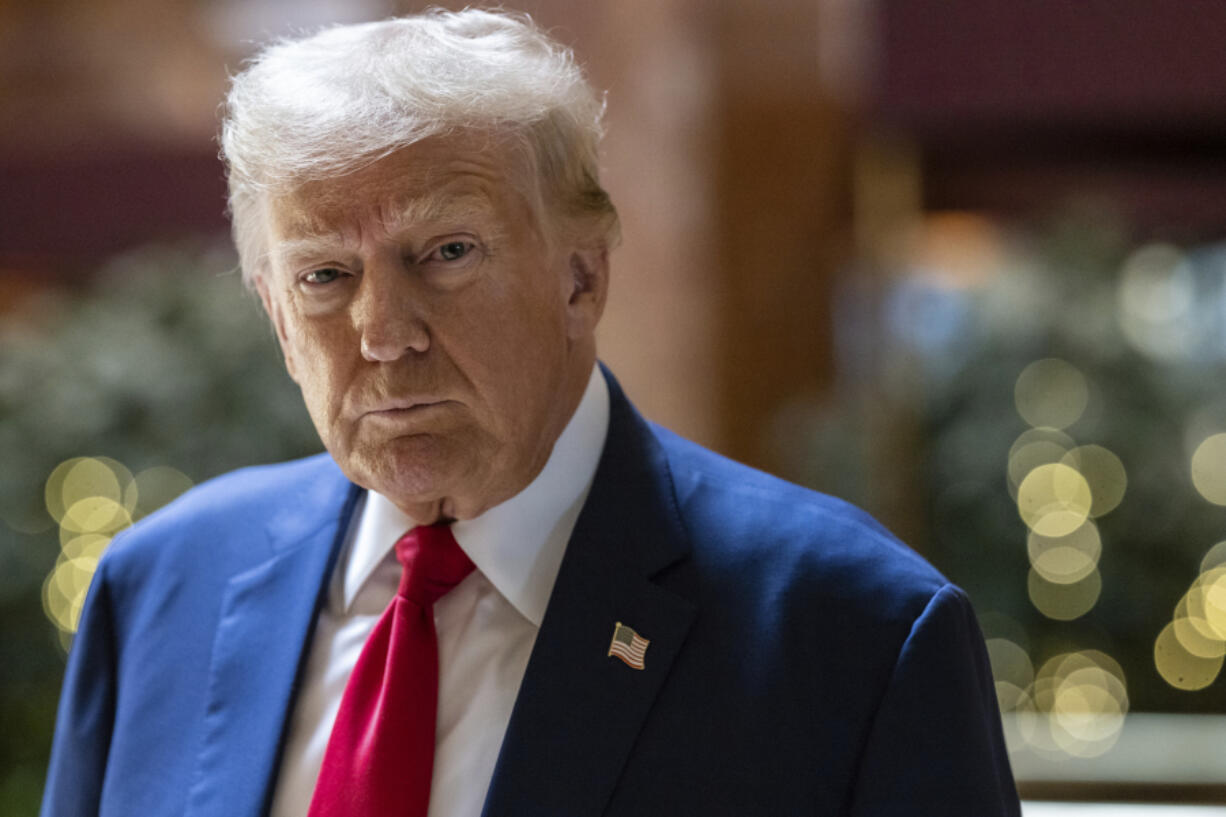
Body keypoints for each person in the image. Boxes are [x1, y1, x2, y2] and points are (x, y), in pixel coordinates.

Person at [41, 9, 1020, 817]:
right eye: (325, 275)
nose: (382, 331)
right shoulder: (160, 588)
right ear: (275, 314)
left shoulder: (851, 634)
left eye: (446, 252)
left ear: (581, 276)